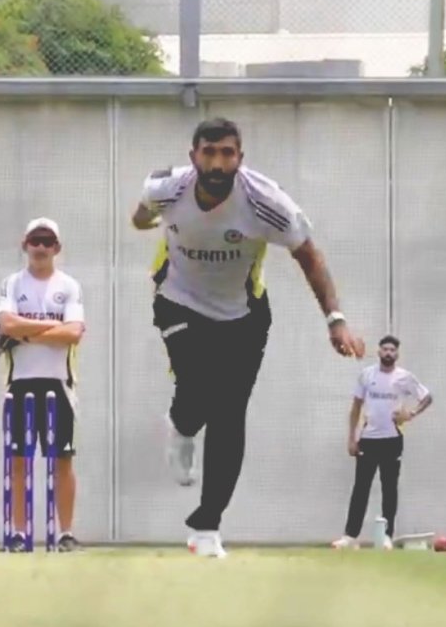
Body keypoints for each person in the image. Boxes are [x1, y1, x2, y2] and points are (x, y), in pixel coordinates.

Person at [131, 117, 366, 558]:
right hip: (178, 299)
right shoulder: (166, 189)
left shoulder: (265, 202)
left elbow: (309, 256)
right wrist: (151, 216)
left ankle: (206, 527)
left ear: (240, 158)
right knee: (196, 384)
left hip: (243, 315)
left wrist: (335, 319)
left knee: (229, 414)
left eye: (227, 154)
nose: (218, 163)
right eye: (209, 153)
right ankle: (181, 427)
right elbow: (140, 217)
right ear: (193, 156)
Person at [0, 218, 85, 552]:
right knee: (18, 460)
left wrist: (26, 331)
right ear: (25, 244)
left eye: (48, 241)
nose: (41, 247)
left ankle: (65, 533)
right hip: (19, 384)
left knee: (62, 459)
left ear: (57, 247)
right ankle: (18, 533)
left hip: (60, 384)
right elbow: (5, 323)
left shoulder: (69, 285)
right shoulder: (12, 283)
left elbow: (74, 333)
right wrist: (48, 329)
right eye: (36, 241)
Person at [333, 335, 432, 551]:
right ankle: (350, 536)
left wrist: (411, 413)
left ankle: (387, 536)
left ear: (397, 354)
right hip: (368, 440)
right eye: (385, 349)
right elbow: (356, 407)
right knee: (361, 488)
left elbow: (427, 397)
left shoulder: (404, 377)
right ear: (379, 352)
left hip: (392, 440)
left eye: (392, 350)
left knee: (390, 489)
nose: (388, 353)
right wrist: (352, 437)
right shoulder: (367, 375)